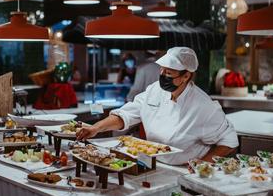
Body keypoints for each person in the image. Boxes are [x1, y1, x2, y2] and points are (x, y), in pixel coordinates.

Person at [77, 47, 238, 165]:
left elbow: (229, 140)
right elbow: (126, 114)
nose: (162, 76)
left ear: (186, 76)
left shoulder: (203, 106)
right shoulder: (155, 90)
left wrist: (202, 164)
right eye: (162, 70)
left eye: (169, 73)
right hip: (152, 164)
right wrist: (96, 128)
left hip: (182, 171)